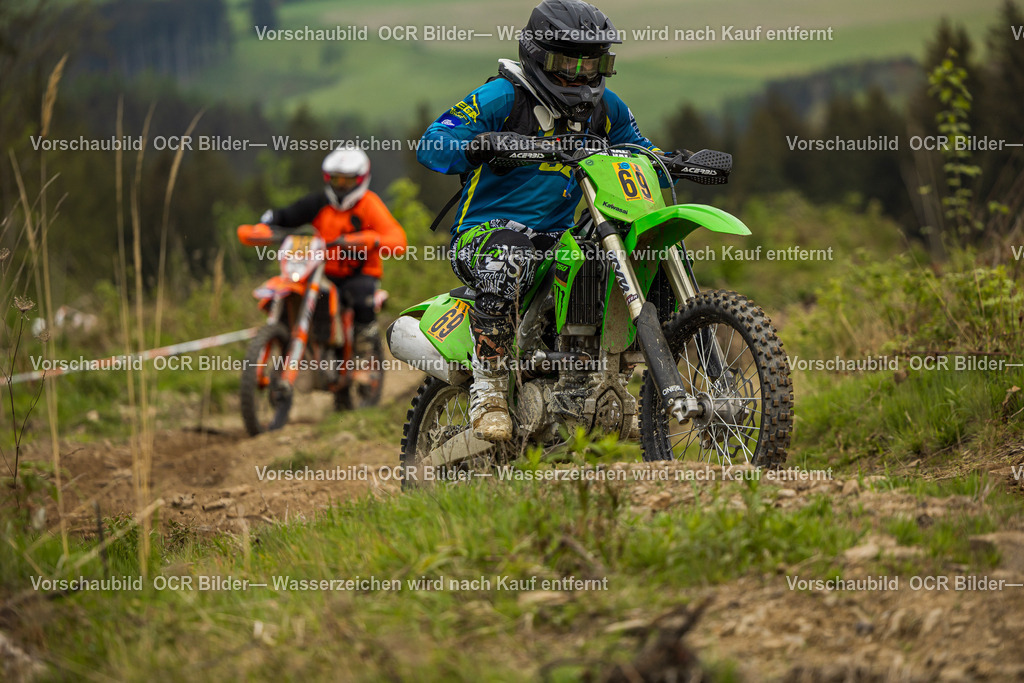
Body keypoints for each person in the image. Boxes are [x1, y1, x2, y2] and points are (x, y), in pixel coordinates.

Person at [417, 0, 680, 442]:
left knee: (628, 257)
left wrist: (678, 161)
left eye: (591, 64)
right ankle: (490, 391)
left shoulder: (605, 108)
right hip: (483, 237)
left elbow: (639, 149)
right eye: (565, 63)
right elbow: (432, 142)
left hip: (558, 238)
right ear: (536, 55)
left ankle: (614, 386)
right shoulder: (502, 96)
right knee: (509, 256)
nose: (579, 75)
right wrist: (481, 144)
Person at [259, 146, 407, 357]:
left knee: (360, 296)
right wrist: (264, 225)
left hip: (359, 274)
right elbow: (286, 215)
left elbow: (398, 241)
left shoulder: (370, 205)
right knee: (295, 291)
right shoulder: (319, 203)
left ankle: (364, 353)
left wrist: (369, 240)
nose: (342, 185)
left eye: (348, 180)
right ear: (328, 178)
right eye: (337, 179)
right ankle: (290, 342)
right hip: (321, 271)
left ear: (361, 178)